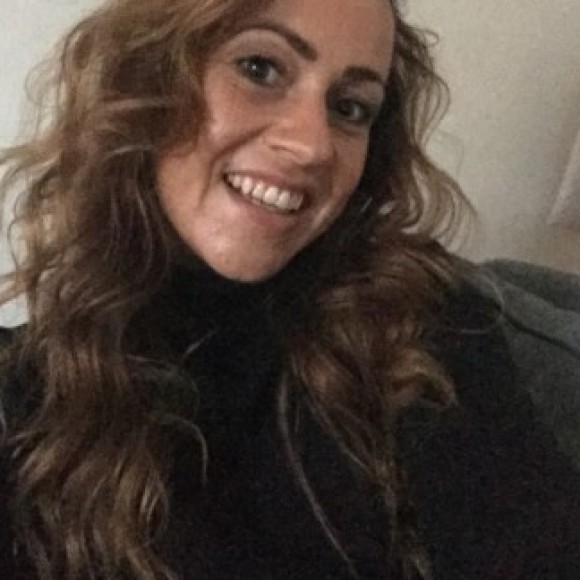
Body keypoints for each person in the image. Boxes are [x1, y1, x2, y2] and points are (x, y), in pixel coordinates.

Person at [0, 0, 579, 578]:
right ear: (147, 76)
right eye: (259, 69)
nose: (313, 145)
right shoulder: (23, 401)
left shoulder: (420, 326)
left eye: (349, 108)